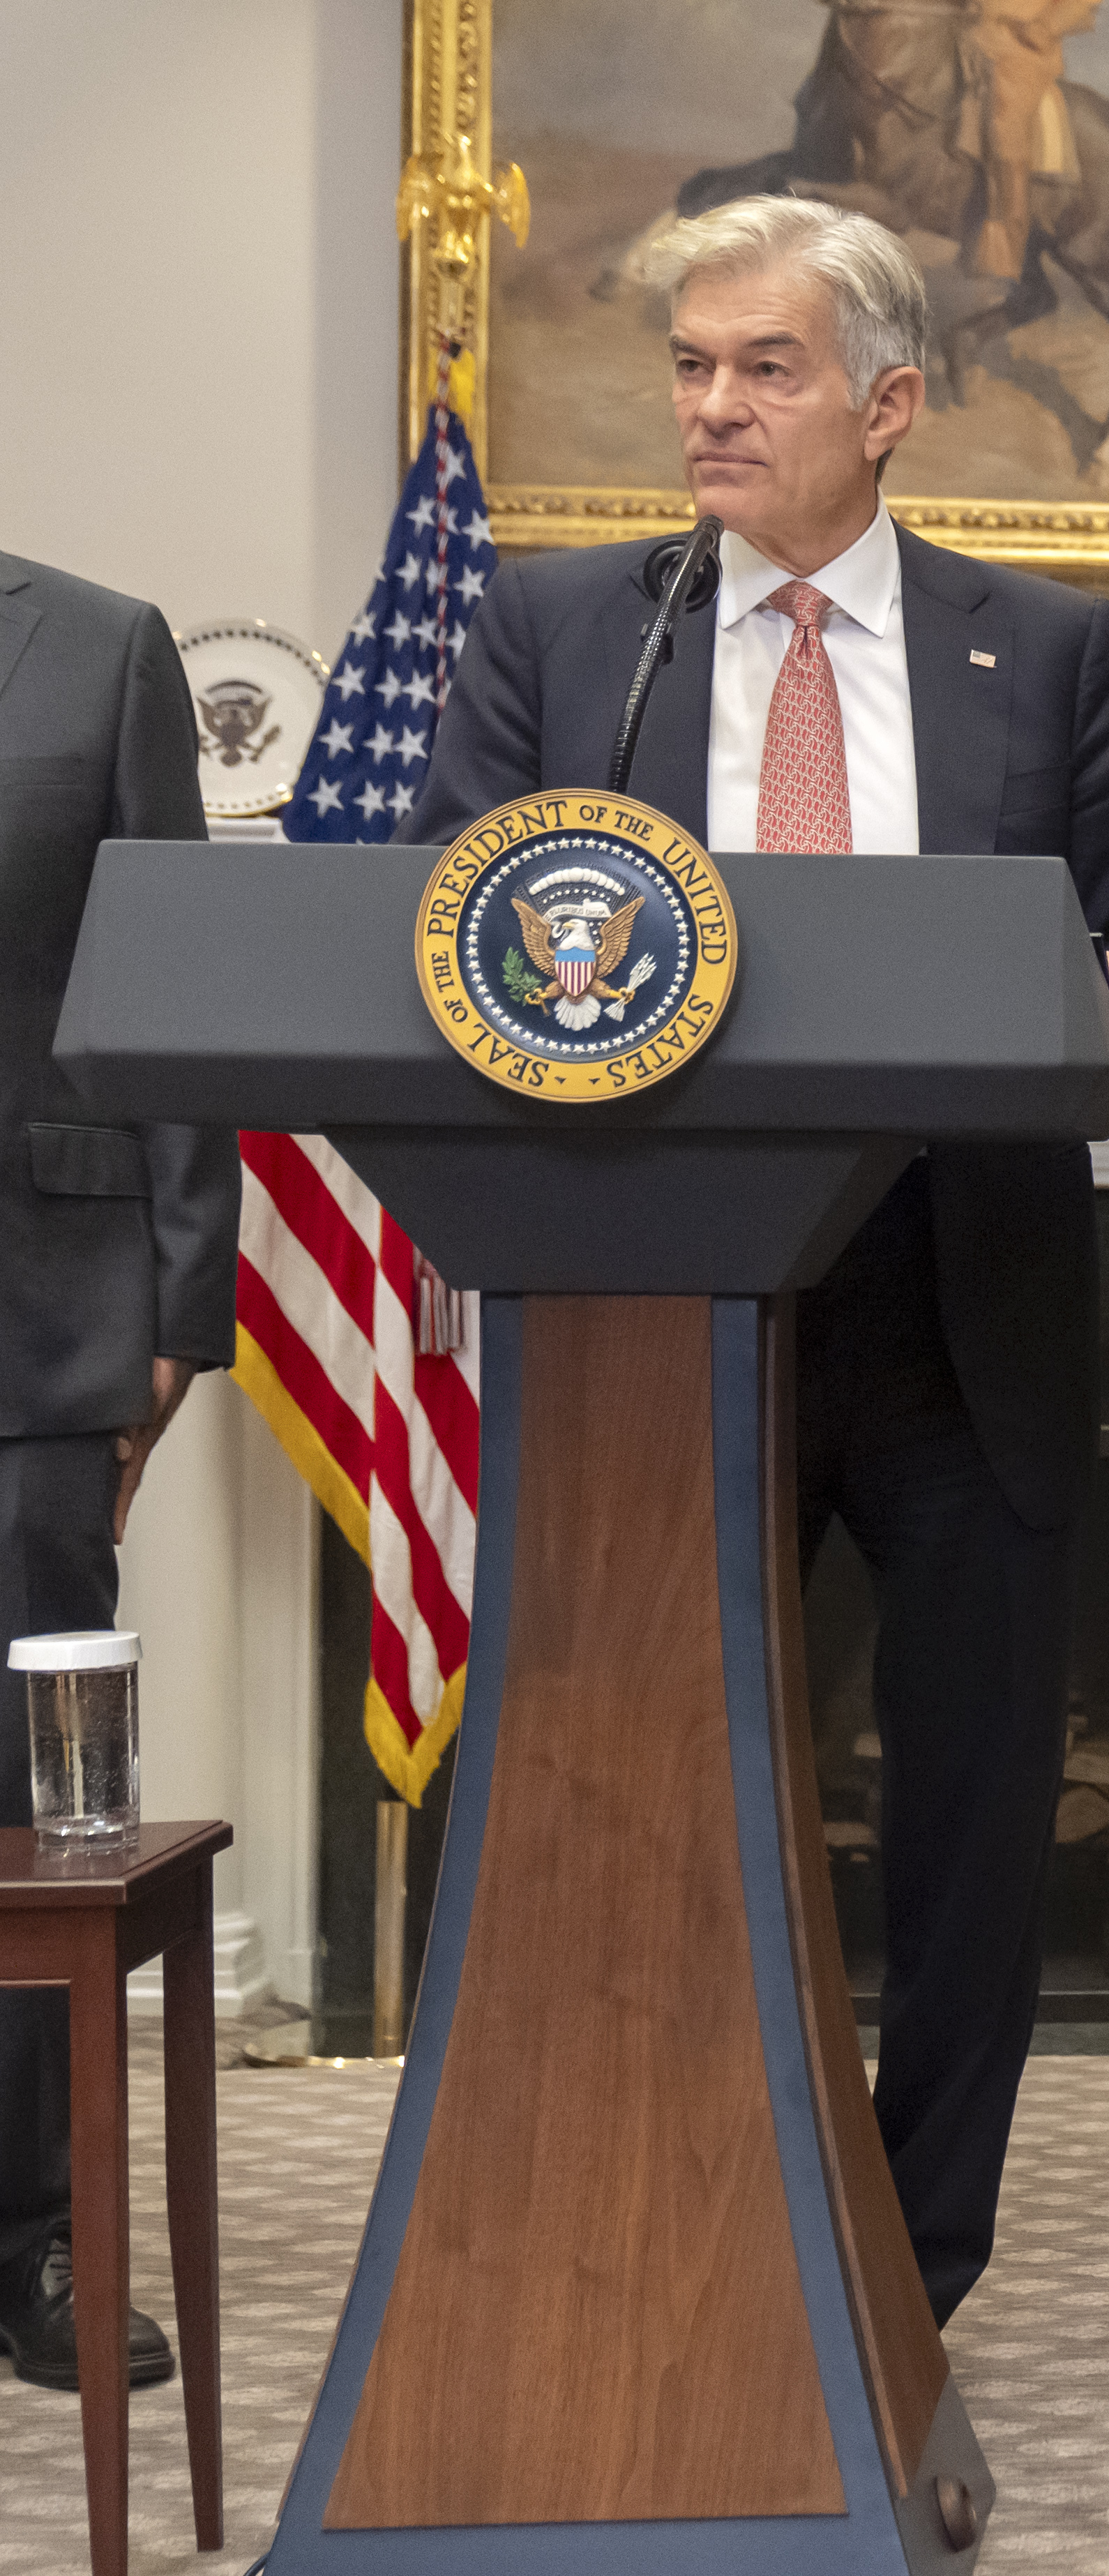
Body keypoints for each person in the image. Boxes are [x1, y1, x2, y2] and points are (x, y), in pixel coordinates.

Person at [405, 194, 1109, 2321]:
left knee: (967, 1839)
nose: (709, 405)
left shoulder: (1038, 648)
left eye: (761, 368)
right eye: (687, 366)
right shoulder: (569, 634)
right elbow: (448, 932)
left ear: (887, 403)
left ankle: (909, 2275)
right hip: (661, 1314)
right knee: (654, 1808)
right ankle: (679, 2228)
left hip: (959, 1309)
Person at [0, 550, 234, 2390]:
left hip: (38, 1314)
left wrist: (183, 1293)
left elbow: (171, 992)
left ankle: (32, 2234)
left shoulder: (98, 653)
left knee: (37, 1807)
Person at [965, 0, 1104, 282]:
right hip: (970, 33)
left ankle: (1006, 250)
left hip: (1022, 52)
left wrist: (1041, 29)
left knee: (1006, 136)